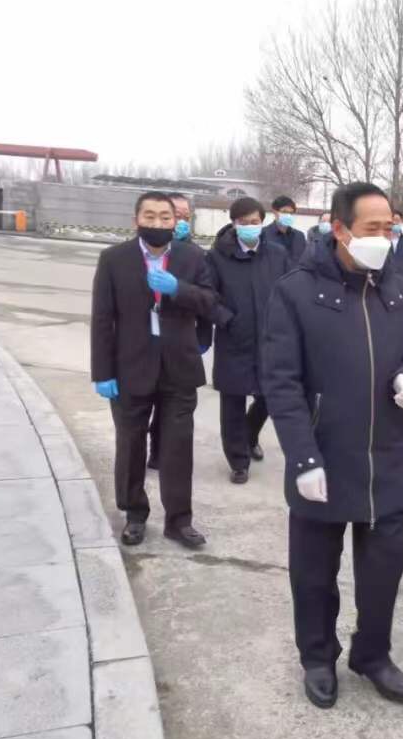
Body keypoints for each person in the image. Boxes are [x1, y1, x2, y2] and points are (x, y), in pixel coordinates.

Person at [264, 181, 403, 710]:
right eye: (371, 228)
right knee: (314, 573)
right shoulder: (296, 292)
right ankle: (318, 657)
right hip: (323, 456)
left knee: (383, 571)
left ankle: (372, 655)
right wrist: (303, 457)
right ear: (339, 229)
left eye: (390, 228)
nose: (384, 237)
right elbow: (281, 382)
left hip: (385, 456)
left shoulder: (402, 290)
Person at [91, 191, 217, 549]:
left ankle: (179, 521)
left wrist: (179, 289)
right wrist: (103, 371)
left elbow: (210, 302)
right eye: (150, 216)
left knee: (178, 448)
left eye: (165, 217)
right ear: (136, 220)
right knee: (130, 444)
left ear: (175, 221)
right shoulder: (114, 259)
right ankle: (134, 514)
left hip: (179, 367)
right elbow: (102, 318)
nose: (158, 223)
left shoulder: (193, 257)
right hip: (130, 367)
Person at [206, 197, 291, 483]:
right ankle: (238, 461)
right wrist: (227, 319)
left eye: (255, 222)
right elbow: (207, 296)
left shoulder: (277, 254)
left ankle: (249, 434)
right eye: (243, 222)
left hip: (270, 340)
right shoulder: (217, 257)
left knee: (269, 397)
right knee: (232, 402)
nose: (250, 227)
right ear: (234, 224)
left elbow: (290, 291)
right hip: (234, 340)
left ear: (263, 222)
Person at [147, 191, 198, 469]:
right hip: (144, 346)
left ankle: (161, 453)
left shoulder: (195, 255)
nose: (180, 221)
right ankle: (150, 449)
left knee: (172, 408)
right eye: (176, 215)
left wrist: (203, 338)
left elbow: (207, 299)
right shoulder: (136, 253)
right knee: (148, 402)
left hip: (179, 345)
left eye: (185, 216)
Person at [262, 195, 307, 265]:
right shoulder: (263, 234)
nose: (288, 215)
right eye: (284, 212)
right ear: (274, 211)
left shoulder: (299, 236)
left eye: (291, 213)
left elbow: (305, 261)